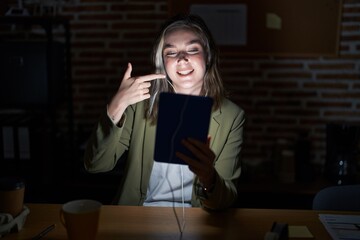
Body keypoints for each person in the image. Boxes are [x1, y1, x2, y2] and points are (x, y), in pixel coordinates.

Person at [84, 14, 245, 210]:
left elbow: (226, 200)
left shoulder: (232, 116)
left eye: (193, 49)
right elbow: (96, 165)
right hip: (137, 217)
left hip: (196, 222)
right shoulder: (140, 104)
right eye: (171, 52)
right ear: (162, 62)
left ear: (208, 56)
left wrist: (209, 177)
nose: (182, 58)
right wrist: (116, 105)